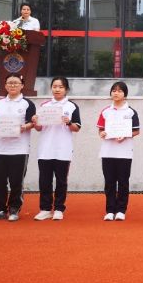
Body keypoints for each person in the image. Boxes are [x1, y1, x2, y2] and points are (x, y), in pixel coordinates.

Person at [0, 73, 36, 221]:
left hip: (19, 149)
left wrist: (24, 127)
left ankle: (14, 209)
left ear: (22, 85)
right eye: (9, 83)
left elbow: (32, 123)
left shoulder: (27, 104)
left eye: (16, 83)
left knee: (16, 182)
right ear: (5, 86)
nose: (12, 85)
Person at [32, 76, 81, 221]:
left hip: (63, 149)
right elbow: (39, 128)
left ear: (66, 89)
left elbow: (77, 127)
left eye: (60, 87)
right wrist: (35, 122)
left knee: (61, 180)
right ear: (51, 88)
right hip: (45, 149)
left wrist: (68, 122)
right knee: (44, 180)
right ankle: (45, 209)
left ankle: (59, 208)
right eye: (54, 86)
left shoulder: (72, 106)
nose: (57, 89)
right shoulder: (44, 105)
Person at [97, 81, 141, 221]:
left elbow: (136, 131)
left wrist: (126, 135)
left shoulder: (131, 112)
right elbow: (101, 129)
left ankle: (121, 210)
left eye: (120, 91)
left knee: (123, 181)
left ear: (125, 94)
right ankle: (110, 210)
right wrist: (102, 133)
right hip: (108, 152)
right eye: (114, 90)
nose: (116, 93)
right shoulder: (105, 111)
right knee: (109, 182)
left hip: (124, 152)